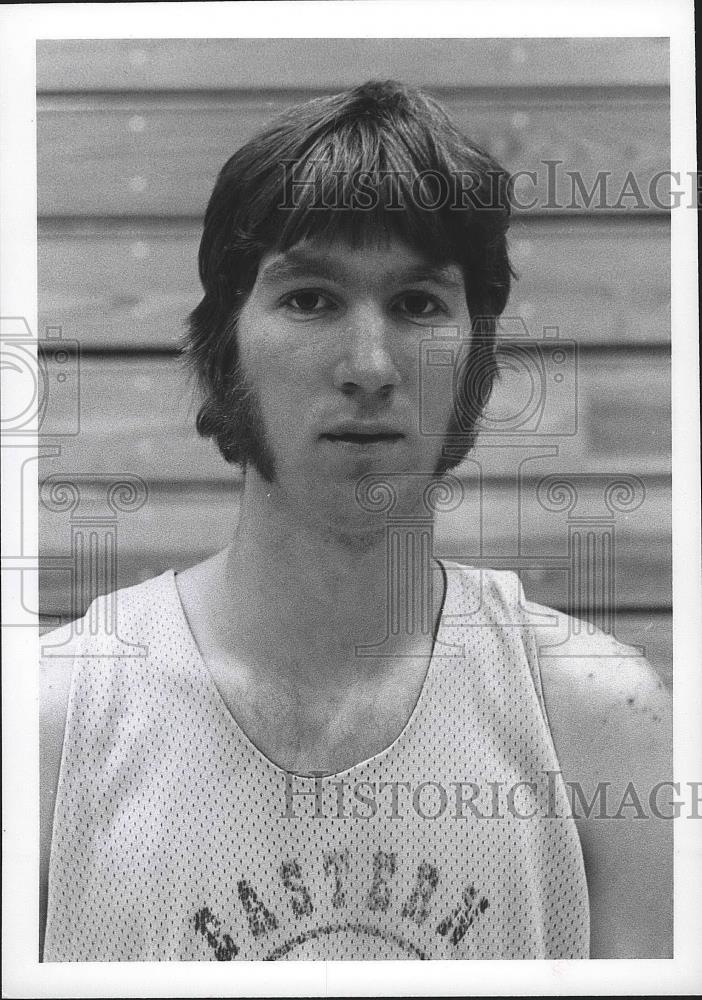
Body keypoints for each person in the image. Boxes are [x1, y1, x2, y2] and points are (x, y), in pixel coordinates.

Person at [39, 80, 672, 961]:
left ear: (476, 358)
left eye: (418, 304)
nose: (370, 366)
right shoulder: (49, 722)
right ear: (224, 346)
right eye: (310, 299)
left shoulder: (603, 722)